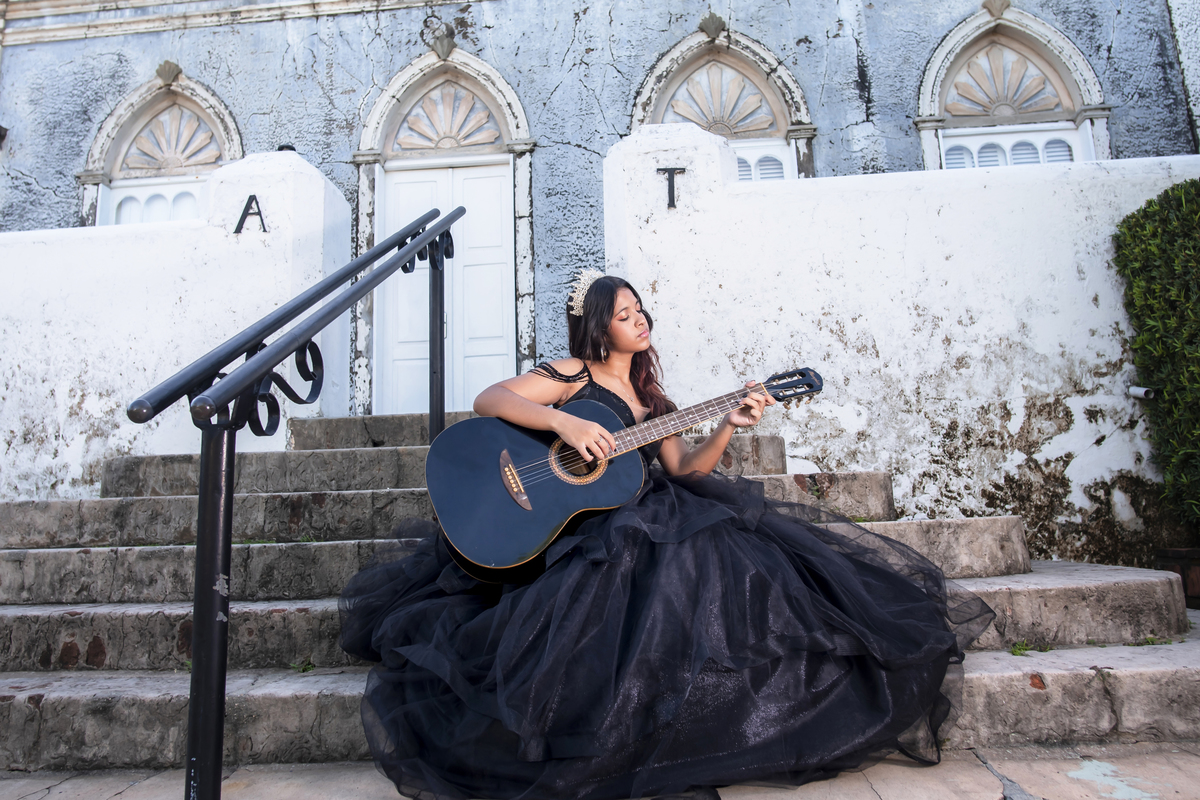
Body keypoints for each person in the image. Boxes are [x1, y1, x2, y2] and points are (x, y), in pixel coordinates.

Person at [339, 271, 994, 800]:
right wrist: (564, 427)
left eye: (640, 309)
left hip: (642, 512)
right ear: (600, 325)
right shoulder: (573, 374)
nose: (638, 318)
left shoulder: (655, 404)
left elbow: (686, 470)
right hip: (587, 529)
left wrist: (732, 422)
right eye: (624, 312)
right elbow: (491, 399)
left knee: (707, 551)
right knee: (633, 558)